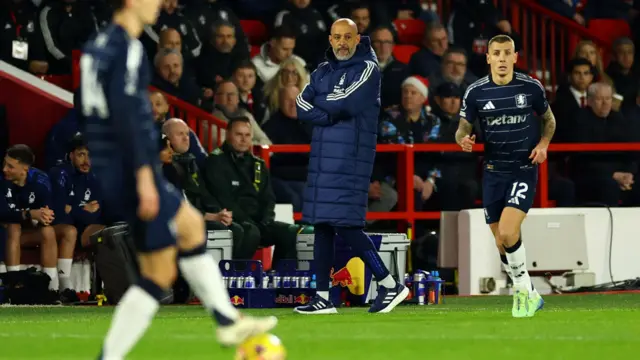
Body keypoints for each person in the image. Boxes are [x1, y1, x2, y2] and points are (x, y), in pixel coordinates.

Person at [79, 1, 276, 359]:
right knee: (159, 273)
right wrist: (142, 176)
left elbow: (92, 109)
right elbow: (127, 114)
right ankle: (111, 356)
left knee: (189, 229)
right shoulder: (127, 46)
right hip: (130, 168)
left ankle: (226, 319)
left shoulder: (97, 46)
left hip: (112, 164)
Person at [293, 18, 409, 315]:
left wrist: (324, 107)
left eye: (348, 36)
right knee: (321, 224)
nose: (342, 42)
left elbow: (345, 103)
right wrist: (327, 112)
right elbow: (300, 106)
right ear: (330, 40)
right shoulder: (320, 71)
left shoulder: (367, 68)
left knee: (345, 223)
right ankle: (322, 297)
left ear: (358, 38)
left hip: (351, 159)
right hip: (322, 159)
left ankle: (388, 283)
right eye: (337, 37)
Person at [455, 34, 554, 317]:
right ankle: (532, 294)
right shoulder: (475, 92)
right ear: (487, 58)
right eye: (496, 53)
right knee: (502, 241)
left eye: (506, 53)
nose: (501, 58)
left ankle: (522, 291)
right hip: (493, 171)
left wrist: (543, 145)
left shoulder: (531, 87)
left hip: (522, 168)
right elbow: (462, 128)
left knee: (510, 232)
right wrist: (463, 139)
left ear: (515, 57)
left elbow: (549, 119)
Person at [203, 117, 298, 266]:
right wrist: (249, 221)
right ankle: (238, 279)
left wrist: (266, 220)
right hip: (234, 221)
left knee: (292, 232)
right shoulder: (215, 161)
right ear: (228, 135)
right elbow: (223, 199)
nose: (243, 139)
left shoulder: (258, 164)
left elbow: (268, 198)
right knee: (250, 231)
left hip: (259, 222)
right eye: (238, 134)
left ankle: (279, 281)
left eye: (247, 135)